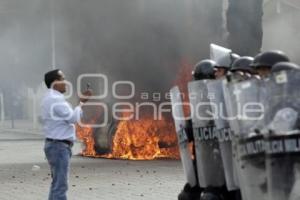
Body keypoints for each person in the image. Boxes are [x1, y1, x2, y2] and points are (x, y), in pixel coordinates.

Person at [41, 69, 92, 200]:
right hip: (58, 147)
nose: (66, 83)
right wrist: (81, 102)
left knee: (57, 184)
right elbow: (72, 118)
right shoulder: (55, 99)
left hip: (55, 145)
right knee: (60, 186)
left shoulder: (51, 97)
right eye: (63, 79)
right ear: (55, 83)